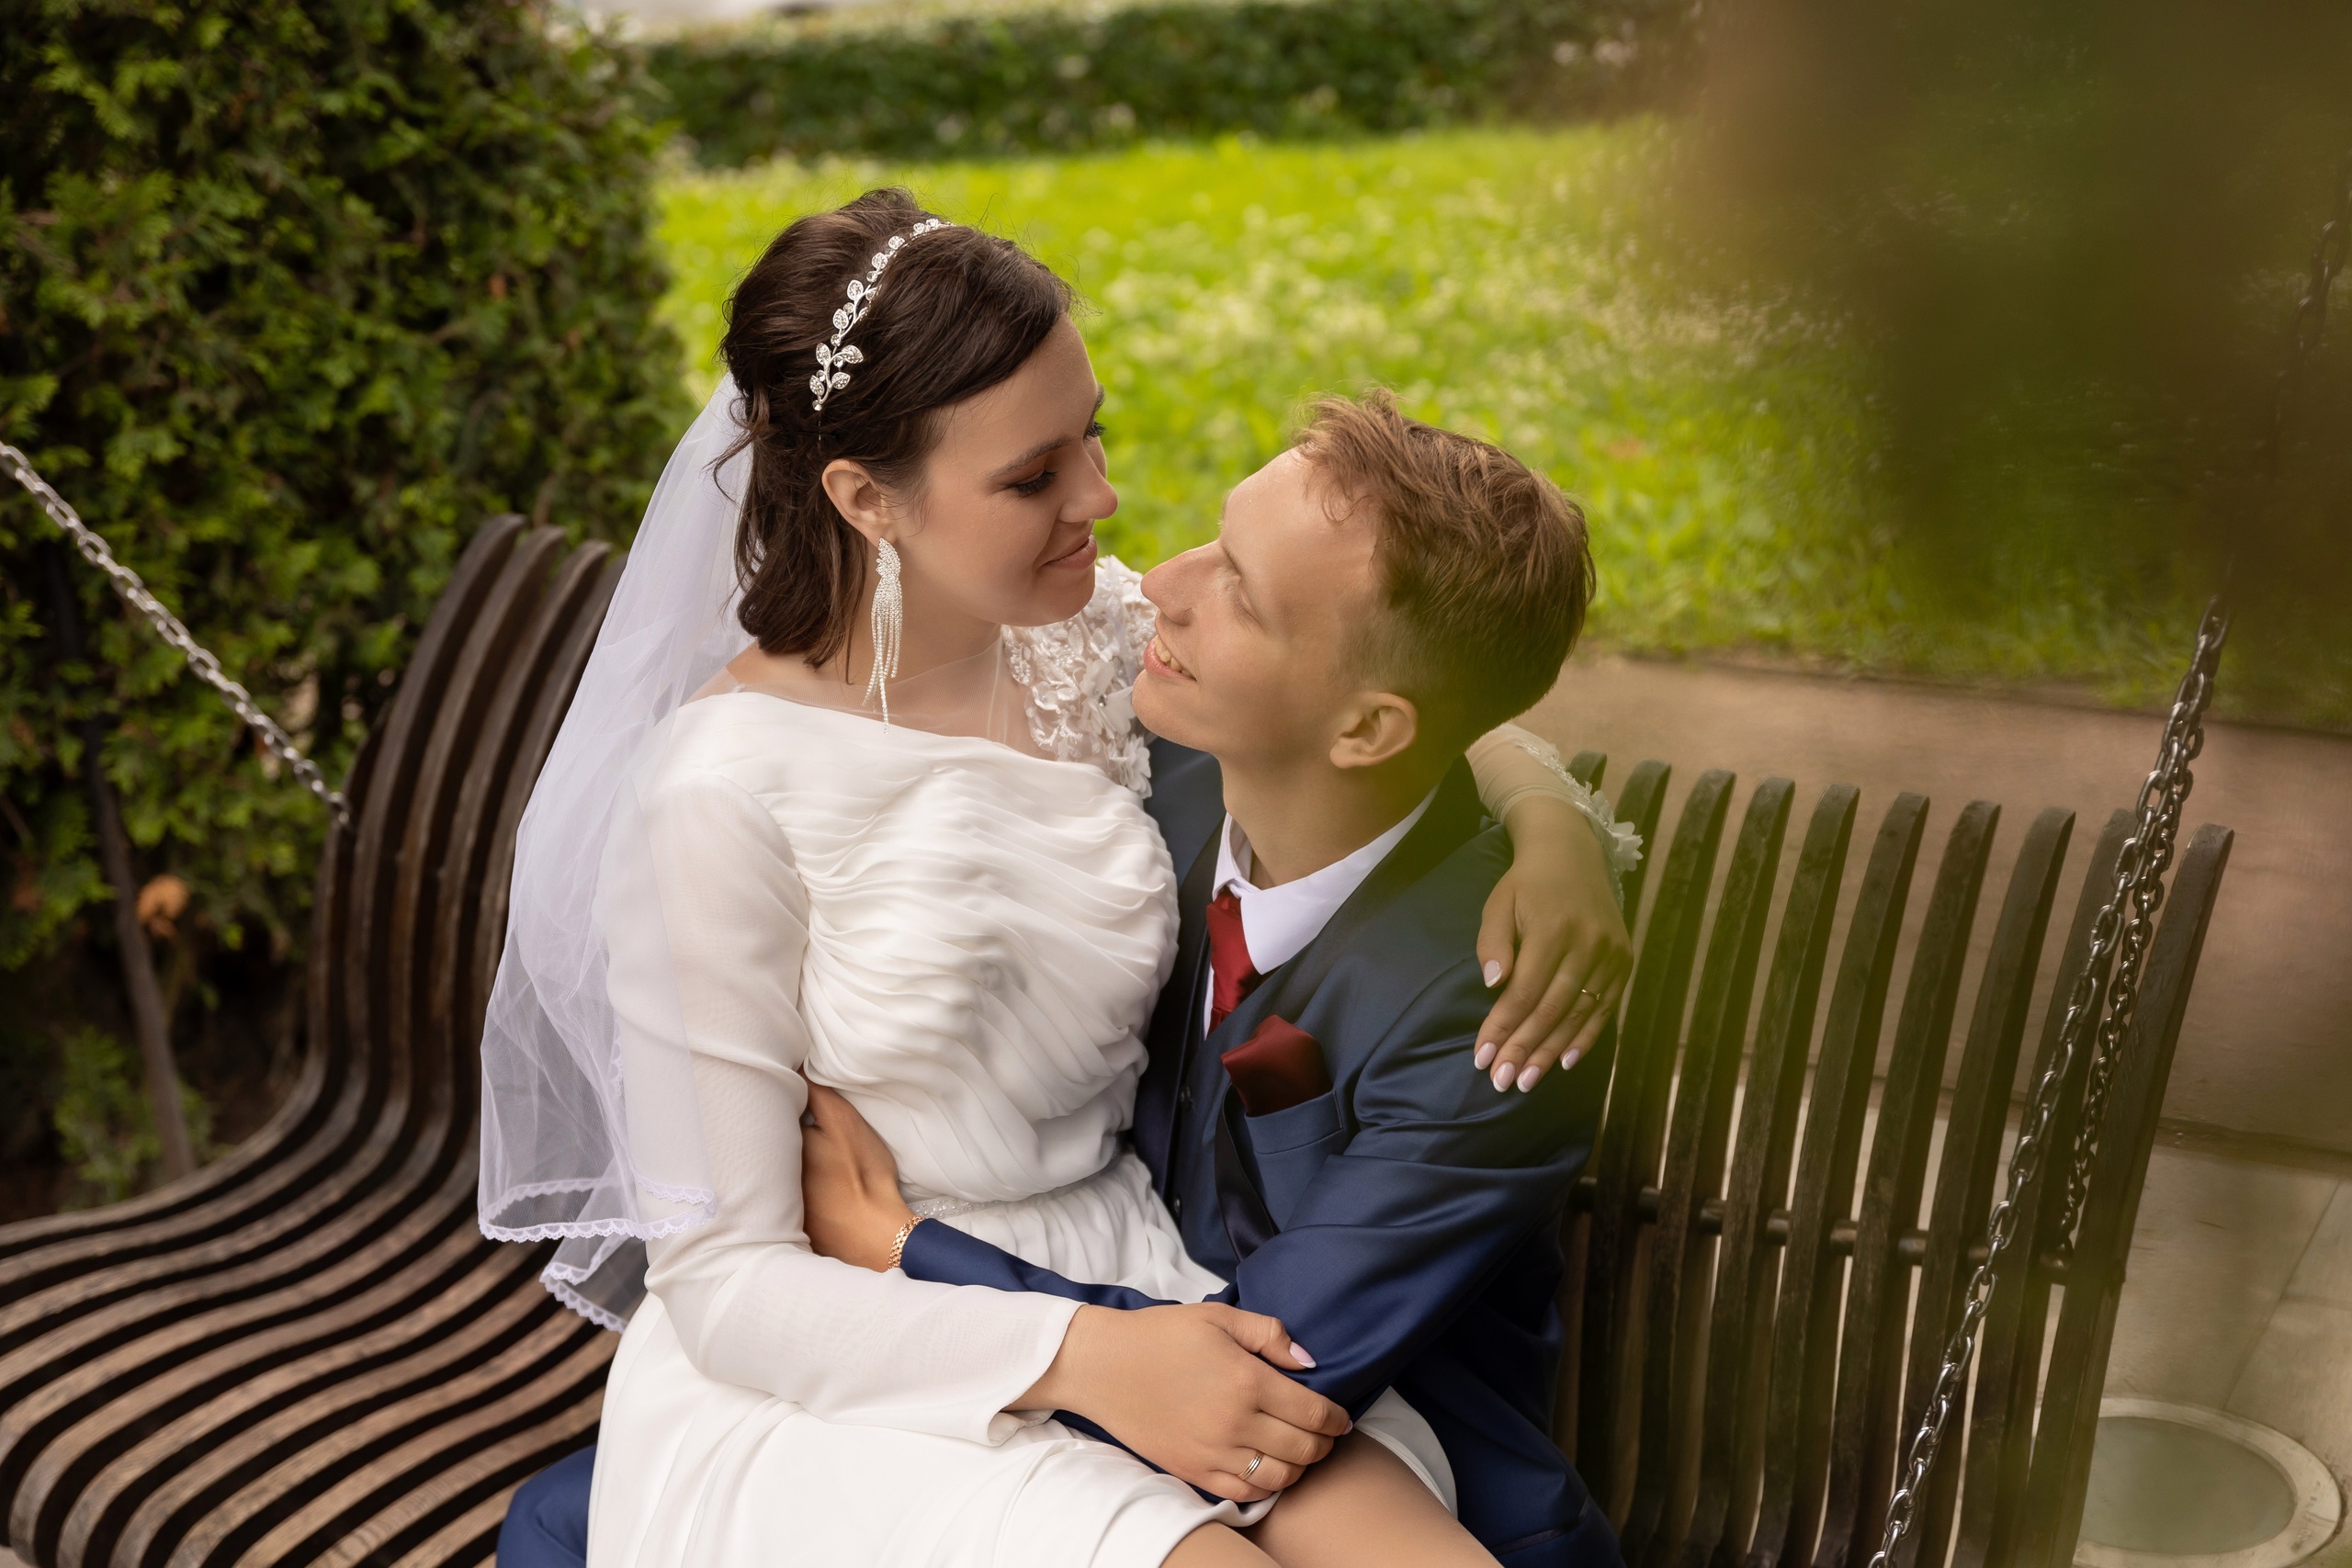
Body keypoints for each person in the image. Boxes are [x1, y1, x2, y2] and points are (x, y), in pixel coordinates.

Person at [479, 189, 1636, 1568]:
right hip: (852, 1350)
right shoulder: (720, 791)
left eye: (1092, 436)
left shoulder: (1084, 636)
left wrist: (1552, 818)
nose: (1098, 499)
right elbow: (728, 1280)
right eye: (1034, 478)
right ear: (865, 498)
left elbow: (1390, 686)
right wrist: (1072, 1349)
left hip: (1139, 1259)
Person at [793, 392, 1628, 1566]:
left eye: (1238, 585)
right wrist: (1551, 809)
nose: (1166, 584)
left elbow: (1255, 1370)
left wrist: (900, 1246)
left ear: (1367, 731)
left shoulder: (1489, 1017)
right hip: (1096, 1350)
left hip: (1360, 1468)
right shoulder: (1167, 756)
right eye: (1216, 539)